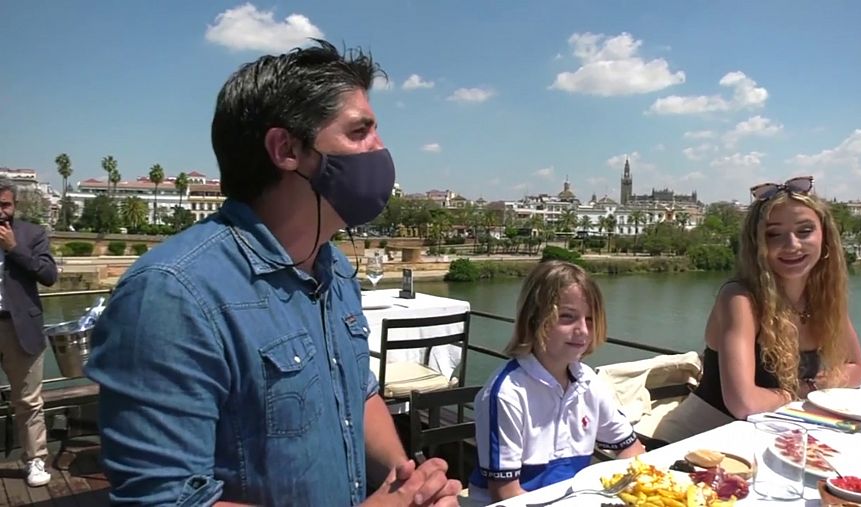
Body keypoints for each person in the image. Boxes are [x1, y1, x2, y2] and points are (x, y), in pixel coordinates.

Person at [85, 41, 461, 506]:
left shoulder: (335, 269)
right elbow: (163, 500)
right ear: (286, 149)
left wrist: (410, 485)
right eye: (360, 131)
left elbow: (357, 396)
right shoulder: (170, 296)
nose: (380, 150)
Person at [655, 176, 861, 443]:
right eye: (773, 234)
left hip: (769, 438)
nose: (792, 244)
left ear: (824, 236)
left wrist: (808, 387)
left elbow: (857, 370)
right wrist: (802, 390)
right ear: (756, 242)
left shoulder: (825, 299)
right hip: (696, 443)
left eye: (804, 231)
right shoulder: (740, 299)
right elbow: (744, 403)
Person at [468, 260, 644, 503]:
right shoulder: (507, 394)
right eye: (567, 317)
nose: (582, 330)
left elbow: (632, 450)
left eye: (590, 319)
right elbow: (506, 494)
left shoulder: (588, 383)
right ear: (534, 319)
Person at [0, 178, 58, 487]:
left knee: (28, 401)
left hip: (20, 327)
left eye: (5, 205)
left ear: (14, 206)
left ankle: (35, 460)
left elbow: (49, 275)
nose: (0, 212)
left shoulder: (32, 234)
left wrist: (14, 249)